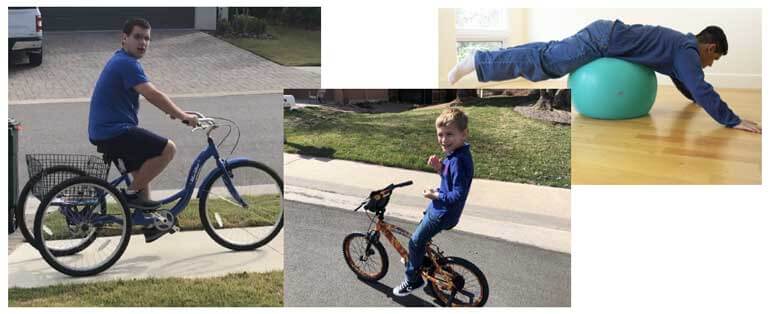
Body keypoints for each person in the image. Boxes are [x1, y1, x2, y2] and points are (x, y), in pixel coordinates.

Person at [448, 19, 761, 133]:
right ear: (709, 46)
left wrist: (692, 99)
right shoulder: (687, 51)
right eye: (714, 58)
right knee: (548, 62)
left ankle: (481, 60)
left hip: (604, 36)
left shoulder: (681, 48)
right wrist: (731, 119)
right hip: (602, 41)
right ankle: (478, 61)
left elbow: (687, 81)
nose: (711, 64)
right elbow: (699, 83)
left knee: (547, 52)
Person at [88, 18, 198, 242]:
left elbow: (148, 95)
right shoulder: (126, 63)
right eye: (138, 37)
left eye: (147, 38)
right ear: (124, 38)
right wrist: (182, 115)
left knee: (142, 172)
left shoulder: (122, 60)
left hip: (108, 130)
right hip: (114, 131)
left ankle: (148, 223)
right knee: (168, 149)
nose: (143, 42)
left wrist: (173, 111)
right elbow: (152, 93)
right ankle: (128, 196)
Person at [393, 108, 474, 297]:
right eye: (440, 135)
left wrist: (435, 196)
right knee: (420, 237)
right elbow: (450, 182)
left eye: (449, 135)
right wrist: (439, 169)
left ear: (464, 134)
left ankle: (413, 281)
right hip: (438, 209)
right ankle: (420, 260)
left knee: (414, 243)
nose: (444, 140)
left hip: (443, 213)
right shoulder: (456, 153)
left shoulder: (459, 161)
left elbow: (457, 195)